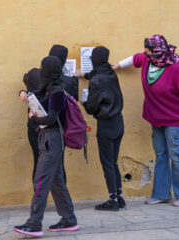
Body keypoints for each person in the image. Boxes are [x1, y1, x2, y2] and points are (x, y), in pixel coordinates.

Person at [112, 35, 179, 207]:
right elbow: (135, 58)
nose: (146, 55)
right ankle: (162, 194)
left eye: (148, 52)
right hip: (156, 118)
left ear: (158, 51)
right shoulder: (148, 59)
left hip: (176, 119)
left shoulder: (176, 69)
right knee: (161, 155)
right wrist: (116, 66)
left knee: (176, 155)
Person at [15, 56, 79, 237]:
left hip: (52, 140)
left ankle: (34, 224)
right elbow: (33, 94)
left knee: (40, 181)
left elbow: (51, 118)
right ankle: (69, 220)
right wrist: (23, 93)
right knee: (57, 183)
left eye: (43, 68)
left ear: (49, 70)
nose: (40, 71)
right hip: (47, 139)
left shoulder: (57, 91)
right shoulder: (47, 88)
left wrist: (34, 118)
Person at [76, 46, 125, 211]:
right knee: (113, 161)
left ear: (93, 60)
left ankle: (112, 200)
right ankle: (119, 196)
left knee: (107, 163)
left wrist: (84, 103)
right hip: (119, 122)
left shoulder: (96, 81)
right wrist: (84, 75)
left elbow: (91, 107)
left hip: (106, 125)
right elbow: (99, 74)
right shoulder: (111, 73)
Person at [22, 44, 79, 182]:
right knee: (59, 165)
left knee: (38, 163)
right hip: (58, 130)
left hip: (35, 127)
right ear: (64, 62)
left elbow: (27, 82)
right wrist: (75, 79)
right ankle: (62, 200)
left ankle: (38, 197)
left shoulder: (33, 74)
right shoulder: (68, 81)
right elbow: (74, 98)